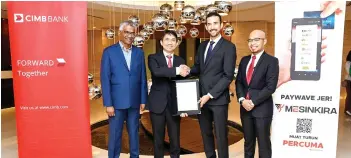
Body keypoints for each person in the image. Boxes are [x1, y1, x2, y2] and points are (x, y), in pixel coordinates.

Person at [187, 12, 237, 158]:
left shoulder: (229, 47)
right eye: (209, 24)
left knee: (221, 136)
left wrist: (209, 95)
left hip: (218, 99)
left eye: (215, 23)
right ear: (206, 26)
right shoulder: (202, 46)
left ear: (221, 25)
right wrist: (187, 70)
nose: (212, 26)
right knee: (206, 133)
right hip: (201, 99)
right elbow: (198, 68)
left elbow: (228, 76)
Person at [100, 20, 148, 158]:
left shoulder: (139, 53)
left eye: (132, 33)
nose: (130, 35)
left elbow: (143, 78)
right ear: (120, 33)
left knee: (134, 134)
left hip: (134, 101)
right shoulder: (109, 52)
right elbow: (105, 79)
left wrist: (143, 99)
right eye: (127, 32)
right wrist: (108, 104)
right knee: (115, 135)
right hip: (116, 103)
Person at [235, 30, 279, 158]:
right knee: (248, 143)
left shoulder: (271, 61)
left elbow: (270, 87)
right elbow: (239, 83)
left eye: (256, 40)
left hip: (262, 109)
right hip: (245, 108)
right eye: (250, 40)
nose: (252, 43)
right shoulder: (244, 60)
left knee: (263, 144)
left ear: (264, 41)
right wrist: (242, 100)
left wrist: (253, 102)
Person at [147, 30, 189, 158]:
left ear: (176, 43)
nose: (170, 42)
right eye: (167, 39)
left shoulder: (180, 60)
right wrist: (177, 70)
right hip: (157, 104)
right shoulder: (153, 58)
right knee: (158, 140)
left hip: (174, 106)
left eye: (173, 40)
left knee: (175, 140)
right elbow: (157, 72)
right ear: (161, 42)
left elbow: (183, 85)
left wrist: (185, 106)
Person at [344, 50, 351, 116]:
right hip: (349, 81)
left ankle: (347, 110)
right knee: (349, 96)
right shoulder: (348, 63)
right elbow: (349, 72)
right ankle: (348, 110)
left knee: (349, 96)